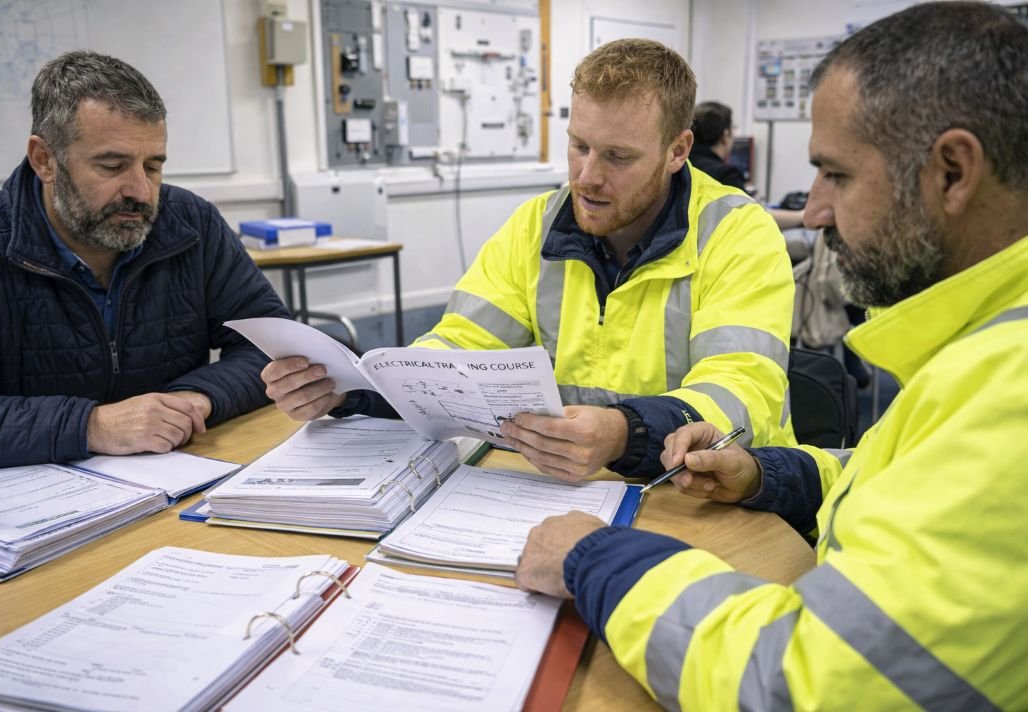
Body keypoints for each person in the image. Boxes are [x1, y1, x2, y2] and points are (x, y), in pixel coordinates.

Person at [515, 3, 1028, 709]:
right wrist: (767, 474)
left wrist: (594, 558)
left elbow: (800, 686)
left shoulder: (1011, 393)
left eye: (836, 175)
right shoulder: (987, 350)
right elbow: (903, 476)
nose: (813, 211)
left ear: (952, 172)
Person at [263, 39, 797, 481]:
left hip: (706, 494)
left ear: (678, 150)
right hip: (562, 490)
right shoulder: (534, 226)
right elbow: (457, 350)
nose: (587, 177)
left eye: (618, 156)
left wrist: (624, 433)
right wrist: (354, 391)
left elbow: (741, 390)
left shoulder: (737, 232)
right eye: (579, 145)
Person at [0, 51, 291, 472]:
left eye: (152, 167)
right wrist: (91, 426)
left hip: (177, 477)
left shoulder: (191, 225)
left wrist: (194, 399)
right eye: (112, 165)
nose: (140, 191)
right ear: (45, 160)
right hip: (28, 499)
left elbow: (273, 348)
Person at [690, 100, 805, 229]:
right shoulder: (724, 175)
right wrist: (801, 216)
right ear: (725, 135)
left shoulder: (682, 165)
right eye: (733, 129)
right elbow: (755, 217)